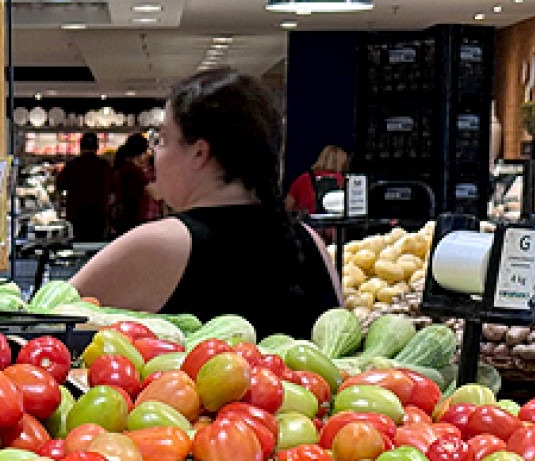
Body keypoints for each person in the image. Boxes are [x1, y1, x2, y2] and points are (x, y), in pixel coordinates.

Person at [71, 72, 341, 335]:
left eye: (163, 139)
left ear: (199, 152)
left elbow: (45, 324)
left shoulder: (159, 244)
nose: (155, 154)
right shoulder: (310, 243)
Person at [53, 133, 111, 243]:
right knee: (96, 246)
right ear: (97, 147)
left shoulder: (72, 165)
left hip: (76, 213)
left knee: (78, 245)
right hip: (98, 213)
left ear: (80, 147)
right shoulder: (104, 166)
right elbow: (112, 191)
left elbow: (59, 186)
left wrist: (59, 209)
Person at [108, 133, 157, 237]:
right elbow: (155, 193)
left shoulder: (121, 168)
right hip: (136, 218)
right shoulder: (135, 171)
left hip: (122, 219)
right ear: (141, 152)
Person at [287, 145, 349, 217]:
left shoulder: (302, 178)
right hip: (333, 224)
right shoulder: (342, 180)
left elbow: (288, 206)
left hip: (307, 224)